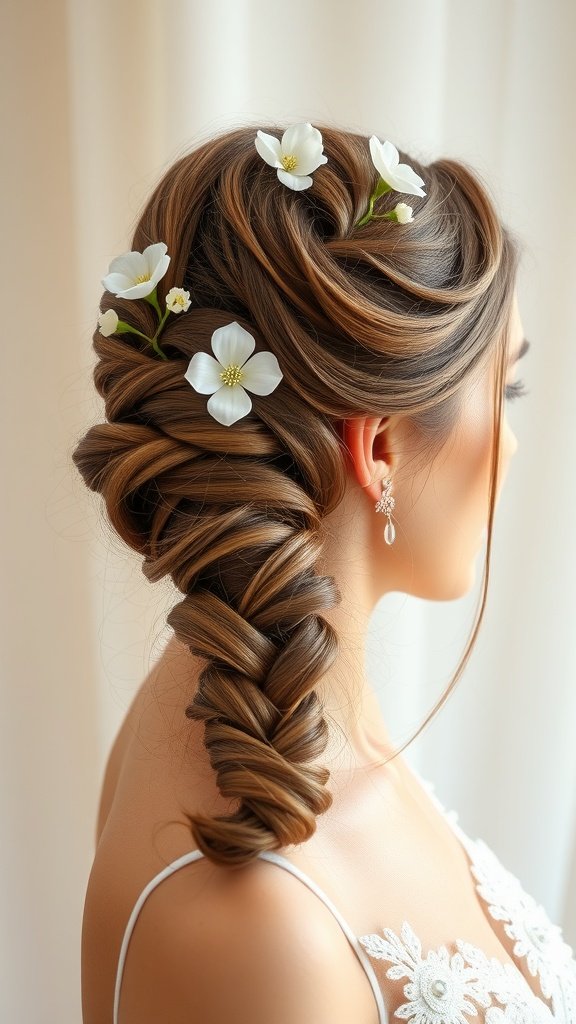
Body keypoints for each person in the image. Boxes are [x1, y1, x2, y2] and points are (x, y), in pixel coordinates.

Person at [73, 122, 569, 1024]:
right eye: (508, 391)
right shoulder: (264, 933)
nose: (515, 442)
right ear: (377, 448)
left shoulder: (264, 684)